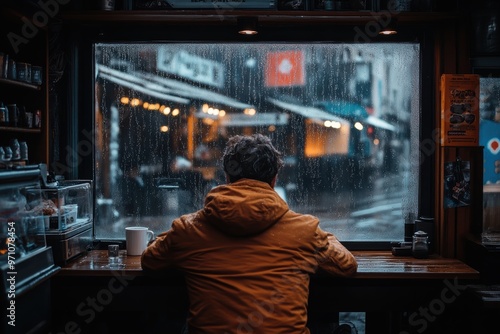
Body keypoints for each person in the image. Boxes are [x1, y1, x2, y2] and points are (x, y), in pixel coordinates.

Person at [141, 133, 358, 334]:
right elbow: (346, 265)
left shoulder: (188, 229)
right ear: (274, 179)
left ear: (227, 176)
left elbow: (150, 260)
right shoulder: (305, 230)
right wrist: (325, 236)